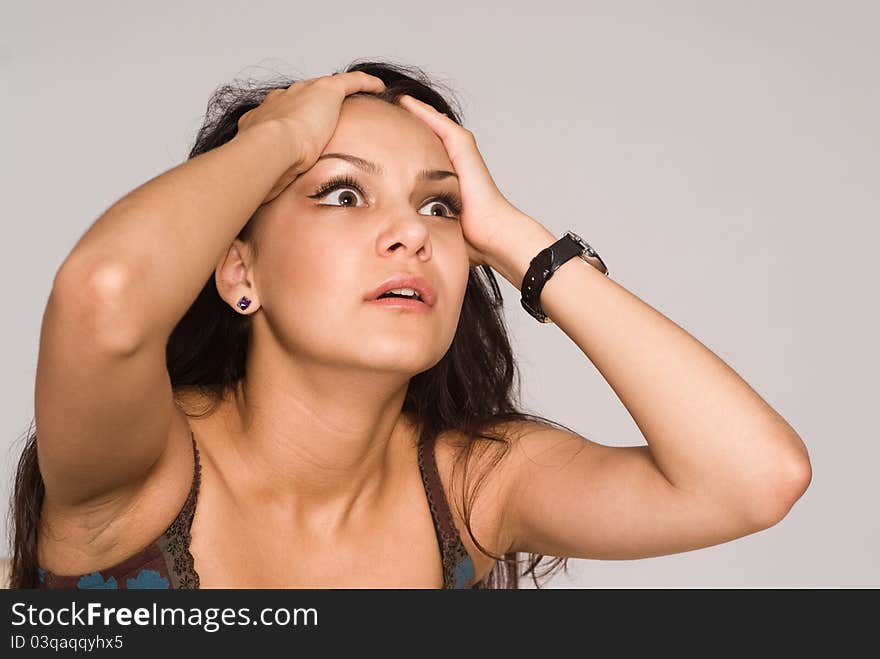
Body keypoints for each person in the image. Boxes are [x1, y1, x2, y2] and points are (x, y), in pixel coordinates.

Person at [8, 60, 812, 589]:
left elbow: (754, 478)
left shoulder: (471, 488)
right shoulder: (143, 466)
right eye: (343, 194)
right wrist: (281, 135)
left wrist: (516, 241)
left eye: (440, 205)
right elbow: (103, 293)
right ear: (240, 271)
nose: (414, 234)